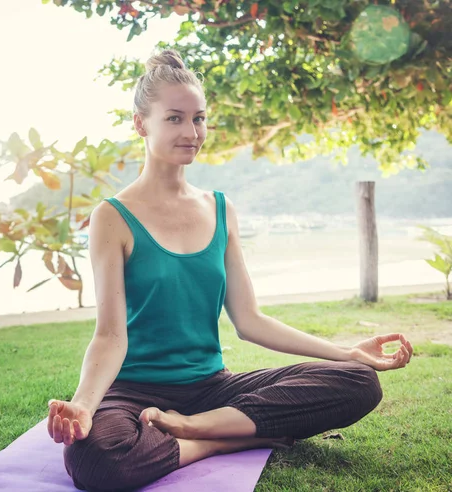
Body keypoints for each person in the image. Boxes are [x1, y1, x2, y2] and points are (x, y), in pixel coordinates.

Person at [47, 49, 413, 492]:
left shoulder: (220, 209)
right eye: (175, 119)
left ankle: (197, 427)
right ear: (141, 123)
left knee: (358, 382)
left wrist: (347, 353)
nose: (192, 132)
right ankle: (219, 441)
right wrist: (85, 404)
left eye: (199, 118)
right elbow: (109, 334)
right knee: (96, 460)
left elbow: (250, 320)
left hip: (211, 389)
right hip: (132, 392)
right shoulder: (113, 216)